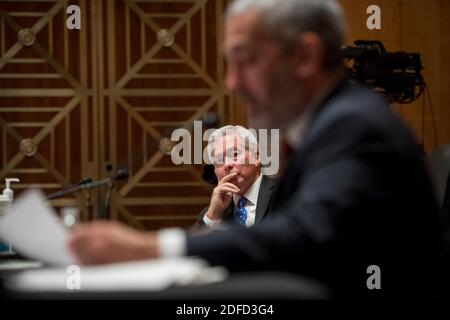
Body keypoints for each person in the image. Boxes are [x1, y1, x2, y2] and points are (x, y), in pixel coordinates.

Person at [69, 0, 447, 297]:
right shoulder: (328, 125)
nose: (232, 83)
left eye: (245, 61)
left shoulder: (354, 126)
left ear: (305, 56)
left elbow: (303, 239)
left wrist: (153, 248)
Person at [197, 125, 275, 229]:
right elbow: (205, 243)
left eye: (234, 154)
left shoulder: (284, 193)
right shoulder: (212, 215)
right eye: (219, 160)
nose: (227, 164)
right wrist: (215, 215)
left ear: (256, 157)